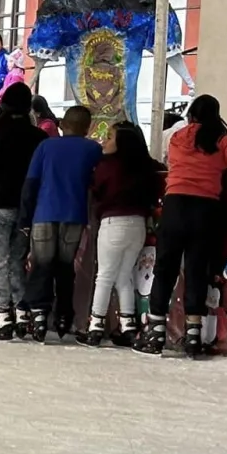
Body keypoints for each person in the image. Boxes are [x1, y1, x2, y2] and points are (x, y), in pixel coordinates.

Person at [139, 95, 227, 357]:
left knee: (165, 268)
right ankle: (193, 335)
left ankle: (156, 331)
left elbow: (170, 161)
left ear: (191, 114)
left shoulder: (178, 137)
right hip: (206, 210)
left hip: (175, 206)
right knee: (197, 270)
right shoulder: (222, 140)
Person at [20, 105, 103, 342]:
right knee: (65, 268)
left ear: (63, 124)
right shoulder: (93, 149)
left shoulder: (45, 146)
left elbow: (31, 184)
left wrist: (25, 219)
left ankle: (38, 314)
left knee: (42, 265)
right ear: (88, 128)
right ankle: (64, 315)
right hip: (74, 215)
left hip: (44, 213)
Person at [0, 82, 47, 338]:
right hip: (29, 209)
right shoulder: (39, 138)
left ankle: (3, 314)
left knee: (1, 261)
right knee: (18, 259)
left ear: (3, 106)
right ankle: (23, 311)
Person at [84, 121, 163, 348]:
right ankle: (128, 324)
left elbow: (96, 190)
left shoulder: (107, 167)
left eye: (109, 137)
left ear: (122, 143)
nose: (104, 141)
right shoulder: (145, 167)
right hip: (138, 224)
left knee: (105, 276)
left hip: (113, 223)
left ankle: (96, 325)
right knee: (124, 275)